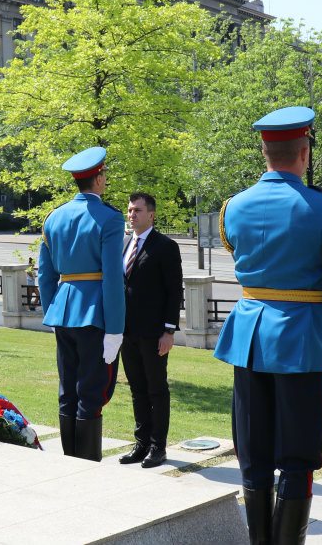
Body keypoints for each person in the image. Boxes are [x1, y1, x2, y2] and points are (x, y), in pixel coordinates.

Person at [212, 107, 322, 544]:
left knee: (253, 453)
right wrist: (318, 319)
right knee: (297, 458)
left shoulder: (234, 207)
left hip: (248, 339)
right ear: (304, 152)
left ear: (265, 152)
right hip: (299, 341)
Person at [38, 147, 125, 462]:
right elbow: (113, 279)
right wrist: (115, 330)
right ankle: (87, 467)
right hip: (95, 315)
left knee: (68, 392)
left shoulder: (54, 218)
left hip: (63, 311)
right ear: (99, 178)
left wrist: (54, 311)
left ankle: (71, 462)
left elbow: (44, 276)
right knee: (92, 393)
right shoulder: (110, 218)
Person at [116, 192, 183, 469]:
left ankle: (158, 447)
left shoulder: (165, 246)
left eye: (138, 210)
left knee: (157, 389)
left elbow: (173, 291)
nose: (132, 215)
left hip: (154, 333)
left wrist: (169, 331)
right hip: (127, 333)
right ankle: (141, 443)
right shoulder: (123, 244)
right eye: (130, 210)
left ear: (151, 214)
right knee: (137, 389)